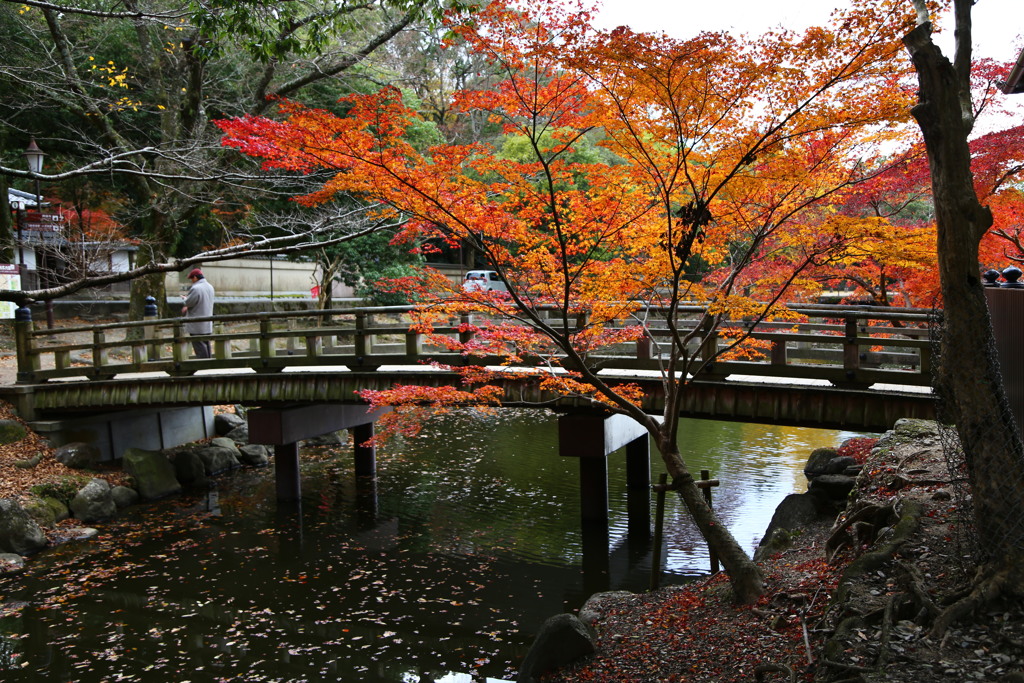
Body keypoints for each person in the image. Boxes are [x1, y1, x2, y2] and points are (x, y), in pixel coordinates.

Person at [182, 268, 215, 359]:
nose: (192, 281)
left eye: (192, 279)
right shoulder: (210, 286)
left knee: (199, 344)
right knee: (206, 343)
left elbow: (189, 302)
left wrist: (185, 299)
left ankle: (203, 364)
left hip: (197, 322)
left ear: (195, 277)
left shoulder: (196, 288)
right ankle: (209, 363)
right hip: (207, 321)